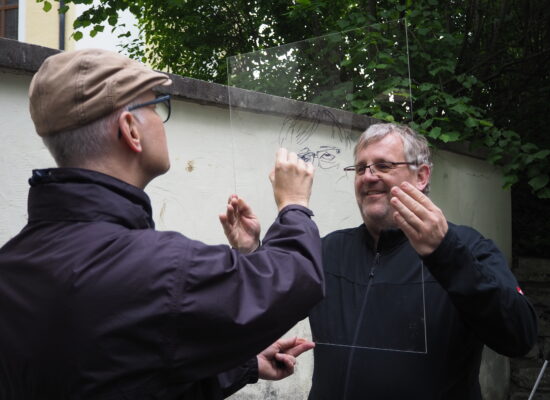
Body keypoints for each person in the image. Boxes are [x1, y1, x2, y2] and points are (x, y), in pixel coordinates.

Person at [0, 48, 324, 399]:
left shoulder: (13, 266)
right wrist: (293, 205)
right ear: (130, 129)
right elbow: (297, 278)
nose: (160, 117)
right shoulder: (156, 266)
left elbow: (125, 376)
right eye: (155, 106)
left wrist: (244, 364)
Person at [306, 123, 538, 399]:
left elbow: (519, 336)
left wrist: (446, 254)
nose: (368, 177)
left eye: (383, 165)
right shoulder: (329, 249)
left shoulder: (467, 246)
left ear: (421, 176)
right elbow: (270, 303)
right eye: (360, 168)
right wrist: (250, 252)